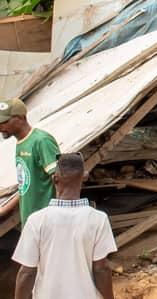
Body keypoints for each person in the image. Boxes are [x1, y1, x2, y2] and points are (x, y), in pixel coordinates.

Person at [12, 153, 115, 299]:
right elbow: (102, 270)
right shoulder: (98, 219)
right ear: (84, 177)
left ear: (54, 178)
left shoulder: (37, 220)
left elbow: (27, 272)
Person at [0, 98, 60, 228]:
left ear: (21, 117)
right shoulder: (21, 143)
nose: (1, 127)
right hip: (30, 223)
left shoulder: (41, 141)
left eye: (4, 122)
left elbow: (61, 181)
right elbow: (27, 185)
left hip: (46, 224)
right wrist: (5, 209)